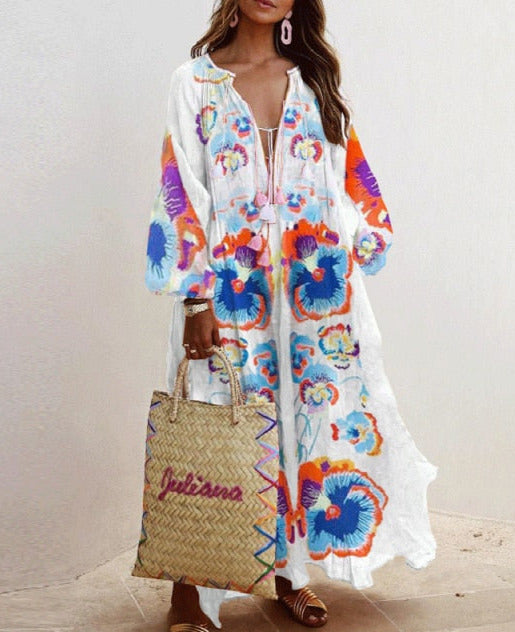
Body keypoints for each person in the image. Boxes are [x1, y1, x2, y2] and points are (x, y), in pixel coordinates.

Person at [144, 1, 439, 630]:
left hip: (310, 291)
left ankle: (288, 571)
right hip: (229, 289)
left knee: (297, 425)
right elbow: (180, 189)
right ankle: (189, 592)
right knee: (216, 418)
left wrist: (361, 244)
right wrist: (195, 297)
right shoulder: (194, 82)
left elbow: (346, 174)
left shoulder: (312, 80)